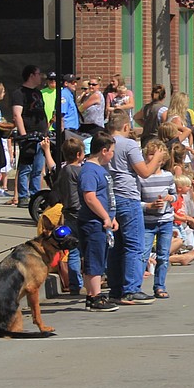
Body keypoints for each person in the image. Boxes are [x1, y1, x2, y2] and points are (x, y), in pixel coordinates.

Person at [105, 109, 165, 305]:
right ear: (125, 126)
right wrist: (157, 157)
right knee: (134, 245)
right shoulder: (128, 144)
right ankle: (131, 289)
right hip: (127, 197)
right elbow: (144, 172)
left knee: (116, 245)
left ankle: (115, 288)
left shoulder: (105, 143)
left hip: (110, 196)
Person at [77, 130, 118, 312]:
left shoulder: (101, 170)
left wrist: (112, 216)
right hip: (93, 223)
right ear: (103, 150)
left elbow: (105, 196)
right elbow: (90, 197)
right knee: (94, 261)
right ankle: (94, 297)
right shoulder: (89, 171)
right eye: (112, 151)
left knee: (98, 259)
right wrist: (105, 216)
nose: (112, 154)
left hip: (101, 221)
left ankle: (94, 294)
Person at [10, 65, 53, 204]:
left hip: (41, 135)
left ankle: (35, 196)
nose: (40, 77)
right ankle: (23, 196)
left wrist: (46, 131)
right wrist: (24, 136)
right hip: (29, 135)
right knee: (25, 167)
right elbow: (17, 115)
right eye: (38, 74)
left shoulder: (38, 93)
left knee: (38, 169)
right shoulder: (19, 93)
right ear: (31, 75)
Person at [139, 140, 175, 299]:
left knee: (163, 255)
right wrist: (149, 205)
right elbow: (136, 201)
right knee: (143, 254)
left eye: (156, 155)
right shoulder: (141, 178)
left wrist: (170, 198)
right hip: (148, 221)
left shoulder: (168, 176)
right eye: (149, 154)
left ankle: (160, 286)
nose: (152, 158)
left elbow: (174, 195)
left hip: (166, 220)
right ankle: (136, 286)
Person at [53, 135, 86, 296]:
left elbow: (57, 189)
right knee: (86, 249)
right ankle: (91, 280)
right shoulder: (80, 171)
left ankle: (75, 284)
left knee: (73, 250)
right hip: (81, 212)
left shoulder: (64, 171)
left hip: (68, 212)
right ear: (79, 154)